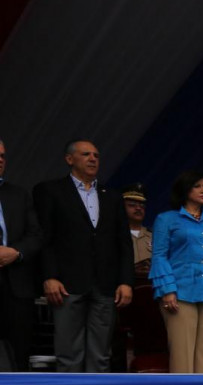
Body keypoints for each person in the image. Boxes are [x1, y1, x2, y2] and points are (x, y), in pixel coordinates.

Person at [33, 139, 133, 372]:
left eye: (96, 155)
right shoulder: (50, 191)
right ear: (69, 159)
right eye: (86, 154)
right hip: (67, 283)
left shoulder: (112, 196)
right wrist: (49, 276)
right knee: (69, 353)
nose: (92, 159)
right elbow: (45, 238)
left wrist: (126, 281)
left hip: (105, 284)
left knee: (101, 354)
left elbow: (123, 243)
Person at [148, 171, 203, 373]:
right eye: (197, 186)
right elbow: (159, 256)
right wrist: (167, 289)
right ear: (185, 189)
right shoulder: (166, 219)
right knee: (182, 351)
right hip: (180, 291)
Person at [0, 139, 43, 371]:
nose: (0, 159)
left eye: (3, 156)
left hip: (17, 284)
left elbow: (36, 236)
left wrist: (15, 252)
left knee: (19, 355)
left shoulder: (18, 194)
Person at [123, 183, 151, 280]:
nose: (138, 208)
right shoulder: (113, 236)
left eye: (142, 205)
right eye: (132, 205)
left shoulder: (156, 237)